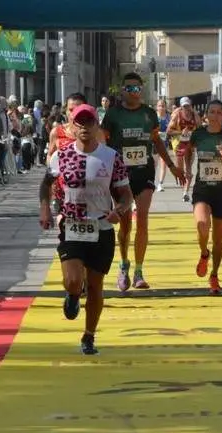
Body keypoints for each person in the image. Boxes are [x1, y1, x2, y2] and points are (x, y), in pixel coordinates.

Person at [39, 104, 133, 355]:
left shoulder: (111, 157)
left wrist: (119, 211)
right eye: (79, 123)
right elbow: (45, 184)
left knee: (95, 286)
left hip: (101, 228)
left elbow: (126, 196)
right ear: (72, 126)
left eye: (88, 122)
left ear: (96, 126)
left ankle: (89, 335)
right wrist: (45, 209)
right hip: (72, 225)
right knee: (73, 280)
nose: (84, 128)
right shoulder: (62, 155)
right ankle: (71, 294)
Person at [101, 73, 186, 292]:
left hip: (144, 171)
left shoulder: (149, 114)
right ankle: (123, 265)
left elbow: (157, 142)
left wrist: (173, 166)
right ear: (122, 91)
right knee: (126, 224)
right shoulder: (113, 115)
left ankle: (138, 270)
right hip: (120, 176)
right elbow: (102, 142)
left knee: (143, 220)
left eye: (137, 88)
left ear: (142, 89)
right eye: (129, 88)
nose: (133, 92)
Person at [188, 100, 222, 295]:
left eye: (219, 112)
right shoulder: (199, 134)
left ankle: (215, 274)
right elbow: (187, 151)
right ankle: (204, 253)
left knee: (218, 239)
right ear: (206, 115)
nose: (215, 115)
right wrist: (187, 169)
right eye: (212, 112)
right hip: (202, 190)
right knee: (202, 224)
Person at [167, 97, 201, 203]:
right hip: (179, 144)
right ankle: (184, 188)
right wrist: (181, 132)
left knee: (188, 170)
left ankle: (185, 193)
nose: (187, 108)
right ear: (181, 107)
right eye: (184, 106)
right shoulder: (177, 115)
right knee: (181, 170)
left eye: (188, 106)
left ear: (191, 105)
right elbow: (169, 130)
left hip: (190, 145)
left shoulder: (194, 115)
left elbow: (200, 129)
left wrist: (194, 134)